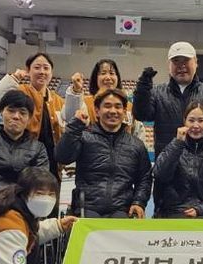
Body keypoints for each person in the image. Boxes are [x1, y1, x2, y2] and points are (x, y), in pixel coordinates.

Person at [54, 88, 152, 218]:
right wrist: (75, 127)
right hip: (86, 209)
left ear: (124, 112)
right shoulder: (84, 137)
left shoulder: (136, 145)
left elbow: (144, 178)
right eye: (107, 106)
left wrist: (139, 202)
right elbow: (62, 157)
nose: (113, 111)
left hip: (122, 210)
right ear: (97, 111)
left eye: (118, 107)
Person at [132, 41, 203, 157]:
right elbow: (141, 115)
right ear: (169, 65)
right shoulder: (157, 93)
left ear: (196, 62)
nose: (181, 66)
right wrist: (143, 88)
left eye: (186, 60)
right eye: (176, 61)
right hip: (168, 164)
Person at [0, 53, 64, 185]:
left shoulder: (59, 101)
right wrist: (14, 78)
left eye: (46, 68)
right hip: (22, 167)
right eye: (37, 67)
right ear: (28, 71)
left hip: (52, 170)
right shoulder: (19, 92)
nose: (42, 72)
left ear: (51, 72)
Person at [153, 102, 203, 218]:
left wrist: (200, 210)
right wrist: (177, 143)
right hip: (174, 213)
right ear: (184, 121)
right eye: (191, 120)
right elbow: (160, 175)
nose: (195, 125)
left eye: (201, 120)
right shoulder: (172, 147)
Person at [63, 58, 145, 140]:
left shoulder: (128, 107)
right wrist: (76, 91)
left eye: (112, 73)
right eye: (103, 73)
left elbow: (138, 135)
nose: (108, 77)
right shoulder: (85, 103)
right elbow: (71, 121)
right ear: (96, 78)